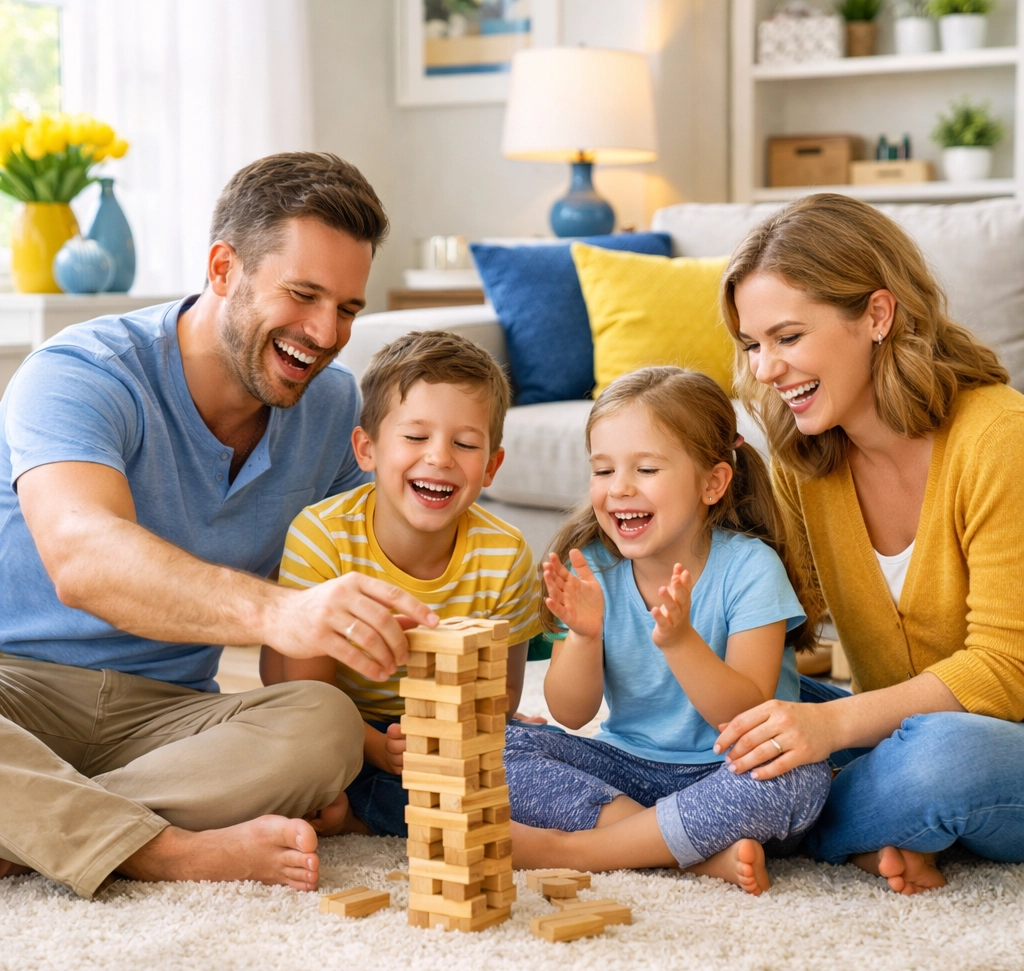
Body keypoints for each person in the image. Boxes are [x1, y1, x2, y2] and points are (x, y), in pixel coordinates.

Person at [0, 152, 439, 899]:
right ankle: (161, 850)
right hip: (17, 688)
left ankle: (34, 819)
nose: (326, 331)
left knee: (324, 726)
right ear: (224, 267)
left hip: (170, 715)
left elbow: (367, 570)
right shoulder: (82, 371)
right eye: (303, 294)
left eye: (348, 308)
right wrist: (279, 611)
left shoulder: (333, 411)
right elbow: (83, 558)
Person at [714, 192, 1024, 895]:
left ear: (877, 316)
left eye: (787, 338)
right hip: (897, 726)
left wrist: (830, 729)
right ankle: (870, 823)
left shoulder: (1000, 438)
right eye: (753, 345)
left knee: (942, 760)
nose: (764, 370)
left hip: (996, 739)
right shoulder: (807, 458)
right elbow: (779, 630)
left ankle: (784, 825)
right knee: (746, 726)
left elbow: (1007, 670)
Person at [505, 367, 832, 895]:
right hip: (627, 768)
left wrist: (681, 643)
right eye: (604, 470)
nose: (620, 489)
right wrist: (585, 636)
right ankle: (688, 853)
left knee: (799, 777)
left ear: (712, 483)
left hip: (731, 770)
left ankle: (576, 850)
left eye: (647, 469)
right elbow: (571, 714)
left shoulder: (750, 568)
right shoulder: (596, 566)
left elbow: (745, 714)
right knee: (495, 749)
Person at [264, 331, 542, 837]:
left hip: (448, 730)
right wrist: (378, 747)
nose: (439, 458)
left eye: (465, 443)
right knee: (301, 757)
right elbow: (309, 693)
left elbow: (502, 692)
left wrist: (473, 731)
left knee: (533, 760)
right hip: (336, 722)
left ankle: (361, 813)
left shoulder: (506, 554)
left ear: (491, 467)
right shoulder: (320, 536)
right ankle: (357, 812)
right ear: (366, 449)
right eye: (415, 438)